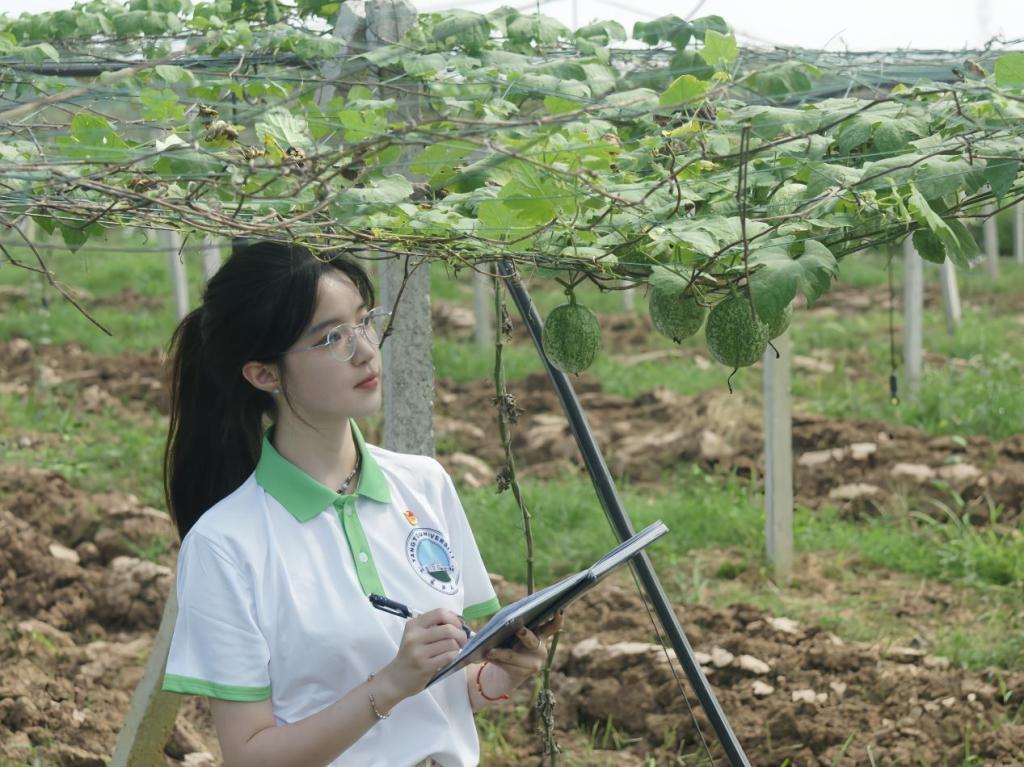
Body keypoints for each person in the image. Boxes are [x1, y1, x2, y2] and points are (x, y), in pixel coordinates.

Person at [160, 241, 562, 767]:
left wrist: (502, 675)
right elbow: (250, 756)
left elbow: (440, 696)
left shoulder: (425, 484)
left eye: (363, 321)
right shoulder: (225, 544)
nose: (366, 350)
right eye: (331, 338)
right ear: (264, 374)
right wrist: (388, 684)